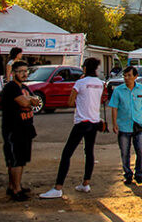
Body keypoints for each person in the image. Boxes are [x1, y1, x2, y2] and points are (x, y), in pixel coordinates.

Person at [39, 57, 104, 198]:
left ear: (85, 68)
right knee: (89, 152)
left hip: (82, 121)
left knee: (67, 153)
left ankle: (58, 187)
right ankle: (86, 183)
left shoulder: (80, 83)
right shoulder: (100, 83)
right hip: (94, 122)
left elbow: (69, 102)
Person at [1, 60, 39, 201]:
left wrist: (29, 100)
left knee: (21, 160)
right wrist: (30, 100)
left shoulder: (24, 87)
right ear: (13, 73)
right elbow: (25, 102)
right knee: (16, 160)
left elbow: (36, 101)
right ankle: (16, 190)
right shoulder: (11, 87)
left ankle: (15, 186)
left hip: (26, 128)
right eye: (20, 71)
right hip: (14, 128)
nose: (24, 74)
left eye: (25, 71)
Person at [108, 65, 142, 184]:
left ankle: (139, 174)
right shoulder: (118, 90)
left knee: (141, 150)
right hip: (124, 126)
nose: (127, 78)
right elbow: (114, 108)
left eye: (129, 76)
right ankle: (127, 174)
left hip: (139, 125)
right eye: (125, 76)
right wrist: (114, 123)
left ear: (135, 77)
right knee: (125, 152)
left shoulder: (141, 89)